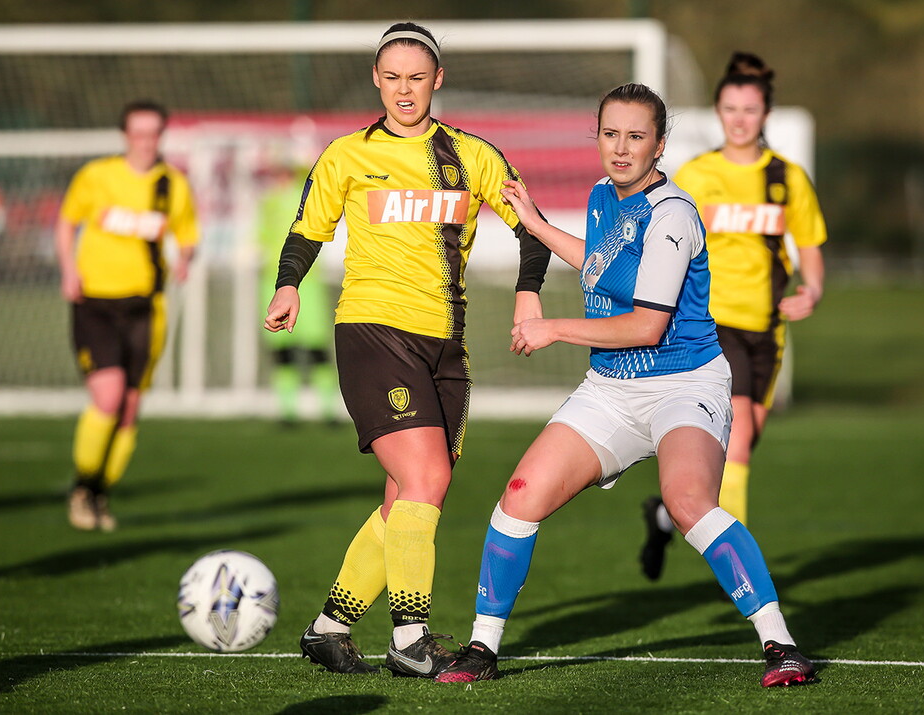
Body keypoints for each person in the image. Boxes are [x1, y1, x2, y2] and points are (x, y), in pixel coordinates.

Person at [434, 83, 814, 688]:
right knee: (520, 495)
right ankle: (483, 647)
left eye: (636, 136)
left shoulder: (672, 215)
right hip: (611, 388)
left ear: (659, 145)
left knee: (689, 503)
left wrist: (552, 326)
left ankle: (781, 644)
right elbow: (599, 262)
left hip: (683, 386)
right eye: (610, 133)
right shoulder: (600, 196)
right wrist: (535, 222)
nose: (620, 147)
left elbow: (647, 323)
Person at [263, 22, 550, 678]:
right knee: (428, 478)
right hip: (372, 332)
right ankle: (411, 638)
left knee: (409, 499)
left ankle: (330, 627)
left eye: (415, 78)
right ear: (376, 79)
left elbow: (529, 227)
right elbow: (307, 231)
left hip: (446, 346)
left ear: (436, 80)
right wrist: (288, 286)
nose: (403, 90)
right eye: (391, 77)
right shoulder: (344, 156)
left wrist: (528, 293)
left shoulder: (473, 156)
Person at [639, 52, 827, 581]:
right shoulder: (696, 176)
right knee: (737, 438)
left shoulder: (786, 179)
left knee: (731, 451)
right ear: (718, 113)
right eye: (730, 108)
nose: (739, 118)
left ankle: (664, 513)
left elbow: (809, 246)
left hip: (767, 329)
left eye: (749, 108)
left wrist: (812, 289)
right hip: (709, 325)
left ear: (765, 112)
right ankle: (736, 574)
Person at [56, 100, 199, 531]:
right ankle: (82, 487)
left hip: (145, 307)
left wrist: (185, 257)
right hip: (95, 303)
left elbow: (187, 233)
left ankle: (100, 494)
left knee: (130, 408)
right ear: (125, 136)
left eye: (153, 133)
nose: (145, 142)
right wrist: (68, 270)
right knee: (109, 396)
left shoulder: (171, 184)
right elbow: (67, 222)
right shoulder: (96, 176)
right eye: (138, 133)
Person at [257, 163, 339, 425]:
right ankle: (288, 412)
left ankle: (328, 410)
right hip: (273, 281)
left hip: (308, 282)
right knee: (284, 351)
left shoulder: (302, 196)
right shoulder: (268, 202)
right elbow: (260, 237)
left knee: (316, 349)